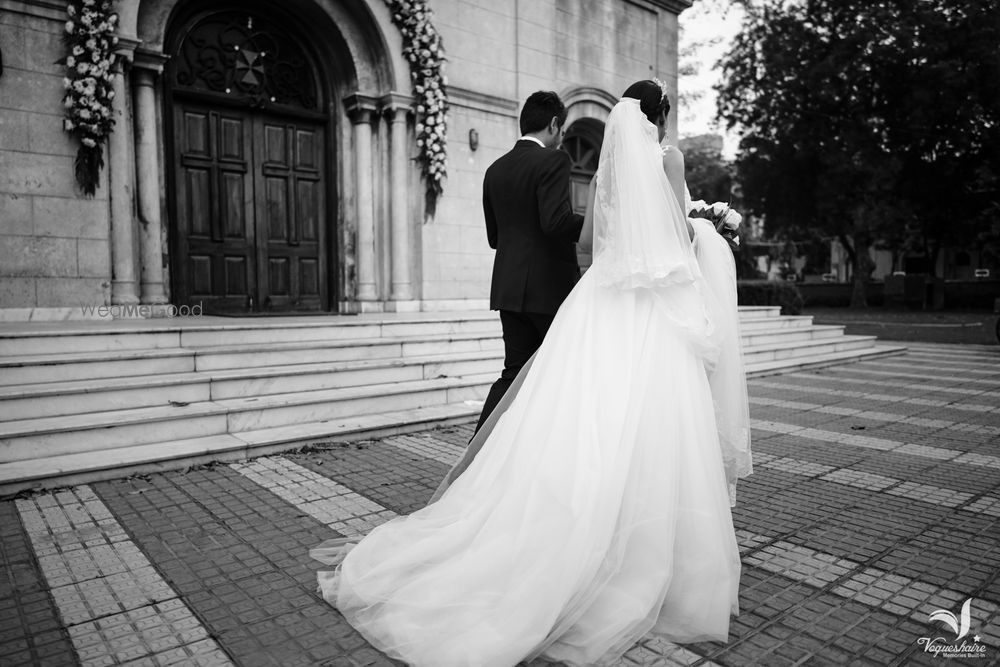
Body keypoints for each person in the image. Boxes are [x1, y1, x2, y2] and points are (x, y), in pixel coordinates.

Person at [312, 79, 752, 667]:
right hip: (645, 302)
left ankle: (516, 483)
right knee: (648, 413)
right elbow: (673, 235)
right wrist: (704, 231)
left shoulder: (581, 172)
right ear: (661, 116)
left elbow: (589, 244)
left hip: (590, 296)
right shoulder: (664, 158)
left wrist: (626, 243)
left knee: (560, 401)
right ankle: (642, 543)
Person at [474, 91, 584, 434]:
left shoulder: (494, 169)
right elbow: (555, 223)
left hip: (509, 290)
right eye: (562, 129)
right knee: (565, 373)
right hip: (549, 290)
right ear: (553, 124)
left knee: (513, 374)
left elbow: (495, 238)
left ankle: (478, 453)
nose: (562, 136)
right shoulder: (554, 160)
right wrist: (595, 221)